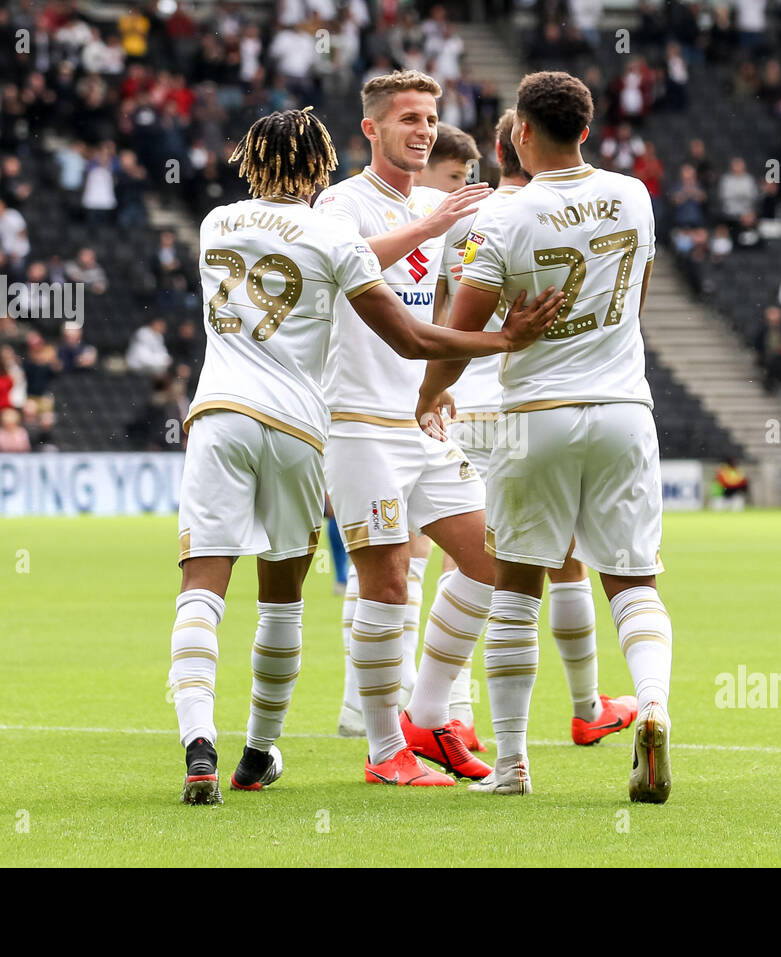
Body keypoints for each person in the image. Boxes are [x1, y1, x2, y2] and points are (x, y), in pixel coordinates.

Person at [169, 106, 560, 804]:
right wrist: (505, 341)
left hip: (216, 418)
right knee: (281, 607)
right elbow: (411, 338)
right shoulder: (334, 233)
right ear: (321, 165)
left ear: (252, 162)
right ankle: (261, 749)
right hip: (297, 428)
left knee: (202, 588)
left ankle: (200, 743)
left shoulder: (215, 224)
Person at [417, 71, 673, 803]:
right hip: (624, 407)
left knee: (519, 586)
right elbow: (638, 300)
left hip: (536, 413)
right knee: (633, 581)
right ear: (586, 131)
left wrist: (432, 393)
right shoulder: (634, 195)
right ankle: (650, 704)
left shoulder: (507, 215)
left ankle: (513, 765)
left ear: (520, 133)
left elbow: (463, 329)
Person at [311, 70, 522, 789]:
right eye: (408, 118)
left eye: (430, 118)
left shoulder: (438, 201)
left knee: (497, 559)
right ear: (371, 129)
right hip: (359, 424)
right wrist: (430, 227)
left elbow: (510, 216)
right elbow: (348, 266)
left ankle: (427, 714)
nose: (424, 130)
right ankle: (380, 750)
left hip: (420, 421)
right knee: (389, 582)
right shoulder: (339, 204)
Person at [755, 306, 781, 392]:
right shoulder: (763, 329)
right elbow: (758, 343)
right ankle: (773, 383)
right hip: (768, 355)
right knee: (774, 363)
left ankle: (777, 382)